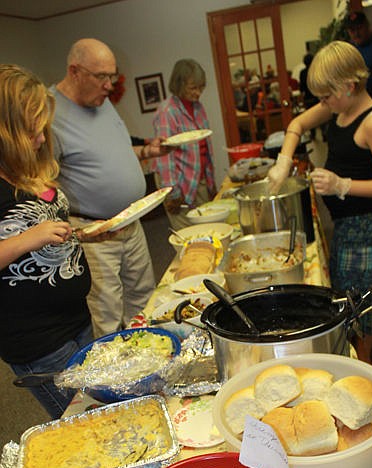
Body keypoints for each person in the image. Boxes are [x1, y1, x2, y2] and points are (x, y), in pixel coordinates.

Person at [268, 41, 372, 364]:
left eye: (326, 96)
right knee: (345, 286)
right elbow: (297, 125)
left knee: (361, 296)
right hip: (345, 221)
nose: (323, 103)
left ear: (349, 85)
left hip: (363, 222)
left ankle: (365, 359)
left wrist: (343, 185)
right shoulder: (338, 107)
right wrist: (284, 160)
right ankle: (357, 353)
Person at [51, 38, 168, 338]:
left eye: (112, 76)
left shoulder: (100, 102)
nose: (109, 85)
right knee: (107, 313)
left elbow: (116, 150)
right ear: (75, 71)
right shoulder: (50, 115)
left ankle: (147, 361)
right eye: (102, 76)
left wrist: (145, 153)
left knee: (144, 300)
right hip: (96, 230)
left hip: (131, 220)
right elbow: (43, 185)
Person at [0, 63, 93, 419]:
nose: (41, 140)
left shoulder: (25, 167)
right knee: (85, 426)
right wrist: (26, 239)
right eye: (31, 132)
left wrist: (88, 231)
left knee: (103, 410)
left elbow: (50, 224)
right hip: (38, 340)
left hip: (76, 318)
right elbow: (31, 235)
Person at [152, 59, 216, 230]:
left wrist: (210, 182)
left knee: (208, 228)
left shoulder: (198, 107)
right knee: (190, 235)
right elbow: (164, 157)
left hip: (197, 178)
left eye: (201, 87)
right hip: (178, 181)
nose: (198, 93)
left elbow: (204, 148)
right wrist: (173, 193)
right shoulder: (167, 112)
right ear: (179, 84)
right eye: (193, 88)